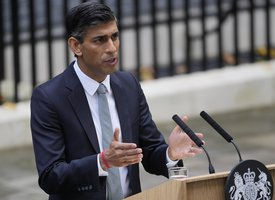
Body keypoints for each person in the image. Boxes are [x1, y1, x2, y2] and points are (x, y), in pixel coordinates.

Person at [30, 2, 204, 200]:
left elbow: (150, 151)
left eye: (114, 36)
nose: (112, 48)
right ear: (76, 46)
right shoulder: (49, 97)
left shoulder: (128, 85)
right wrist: (102, 162)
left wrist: (171, 154)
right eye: (100, 40)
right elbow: (50, 176)